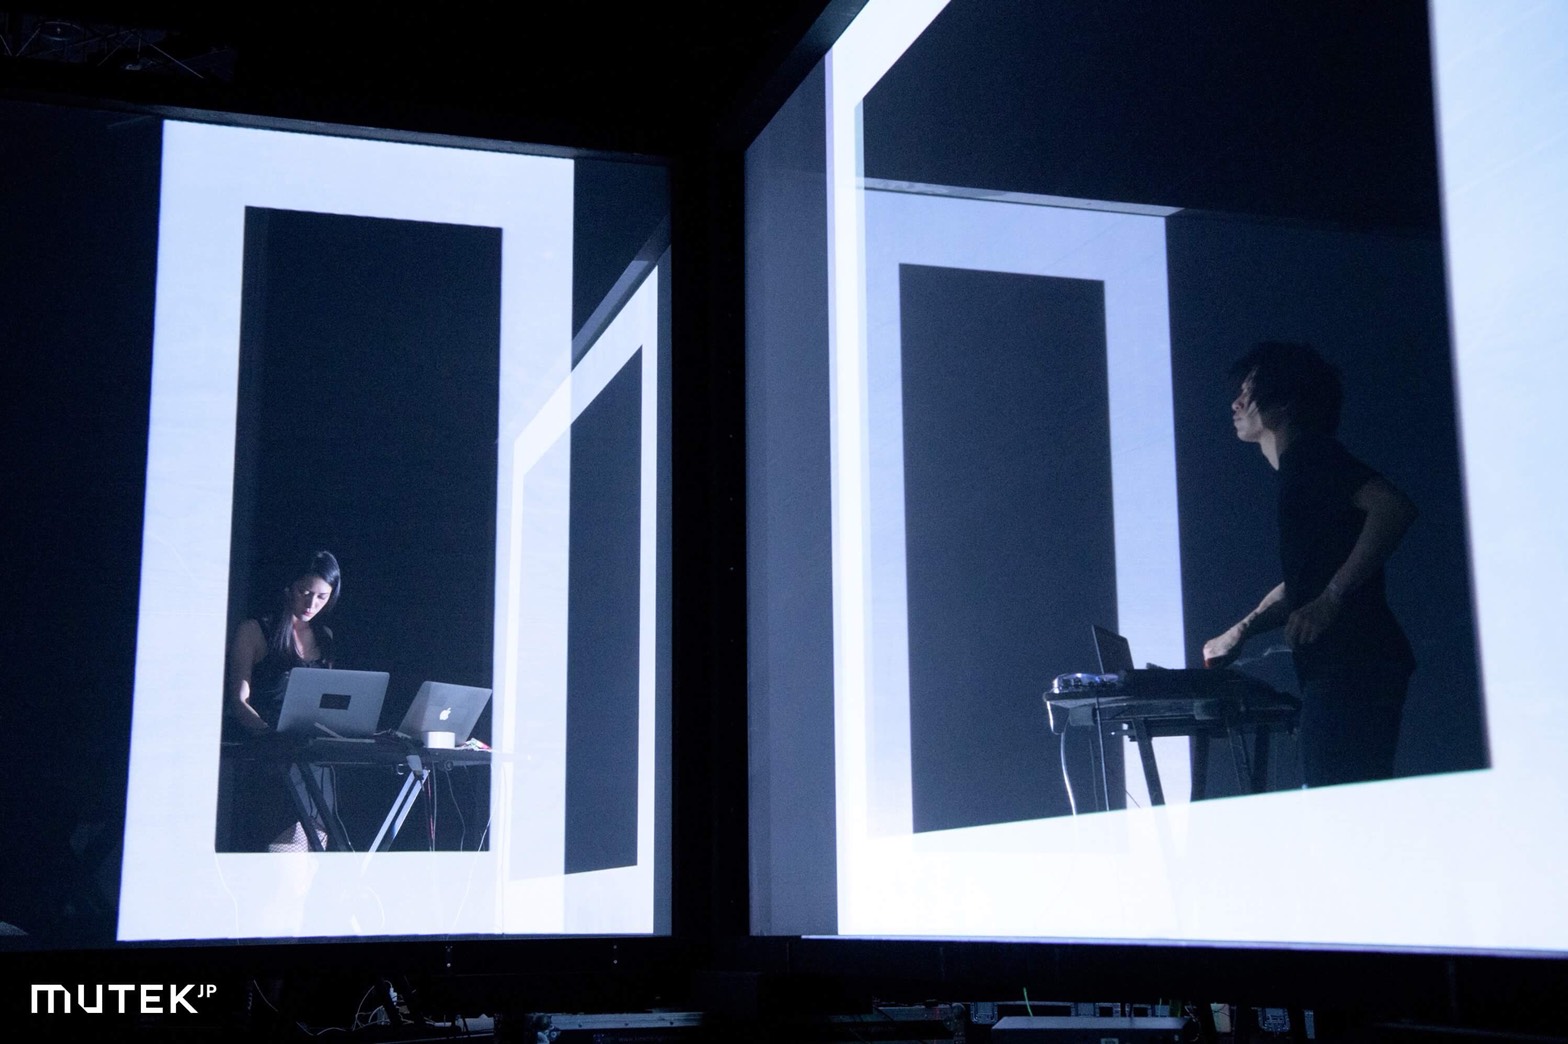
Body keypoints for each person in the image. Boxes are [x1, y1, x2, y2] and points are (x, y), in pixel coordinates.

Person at [1202, 343, 1417, 787]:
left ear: (1284, 403)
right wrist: (1239, 631)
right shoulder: (1301, 470)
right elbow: (1304, 582)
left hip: (1353, 666)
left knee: (1341, 809)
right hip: (1351, 666)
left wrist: (1332, 598)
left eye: (1248, 392)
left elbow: (1393, 508)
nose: (1236, 403)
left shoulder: (1311, 457)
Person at [224, 550, 343, 851]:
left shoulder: (324, 637)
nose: (311, 604)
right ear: (289, 587)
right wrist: (269, 736)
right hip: (272, 760)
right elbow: (239, 701)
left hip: (312, 761)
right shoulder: (254, 630)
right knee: (284, 860)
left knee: (311, 862)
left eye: (322, 597)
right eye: (305, 593)